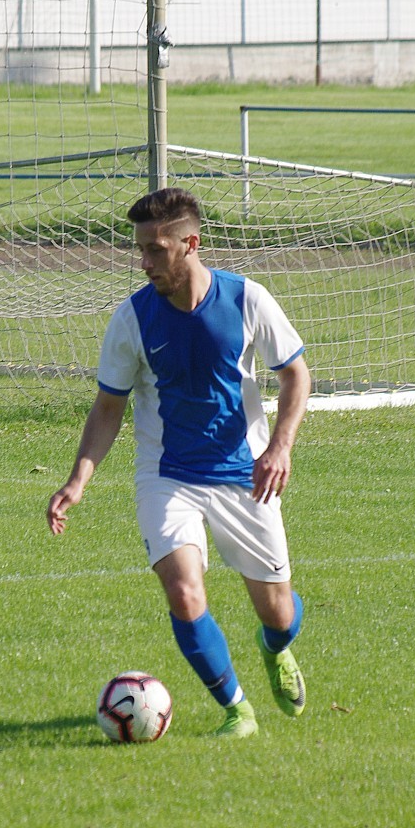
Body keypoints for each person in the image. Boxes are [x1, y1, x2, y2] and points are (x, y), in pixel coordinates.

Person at [47, 186, 310, 739]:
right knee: (185, 591)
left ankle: (275, 648)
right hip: (167, 477)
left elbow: (295, 374)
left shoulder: (246, 299)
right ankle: (237, 709)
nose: (144, 263)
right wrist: (77, 480)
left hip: (244, 474)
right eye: (140, 250)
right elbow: (108, 407)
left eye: (155, 250)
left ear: (190, 244)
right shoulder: (132, 319)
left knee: (279, 615)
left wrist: (280, 447)